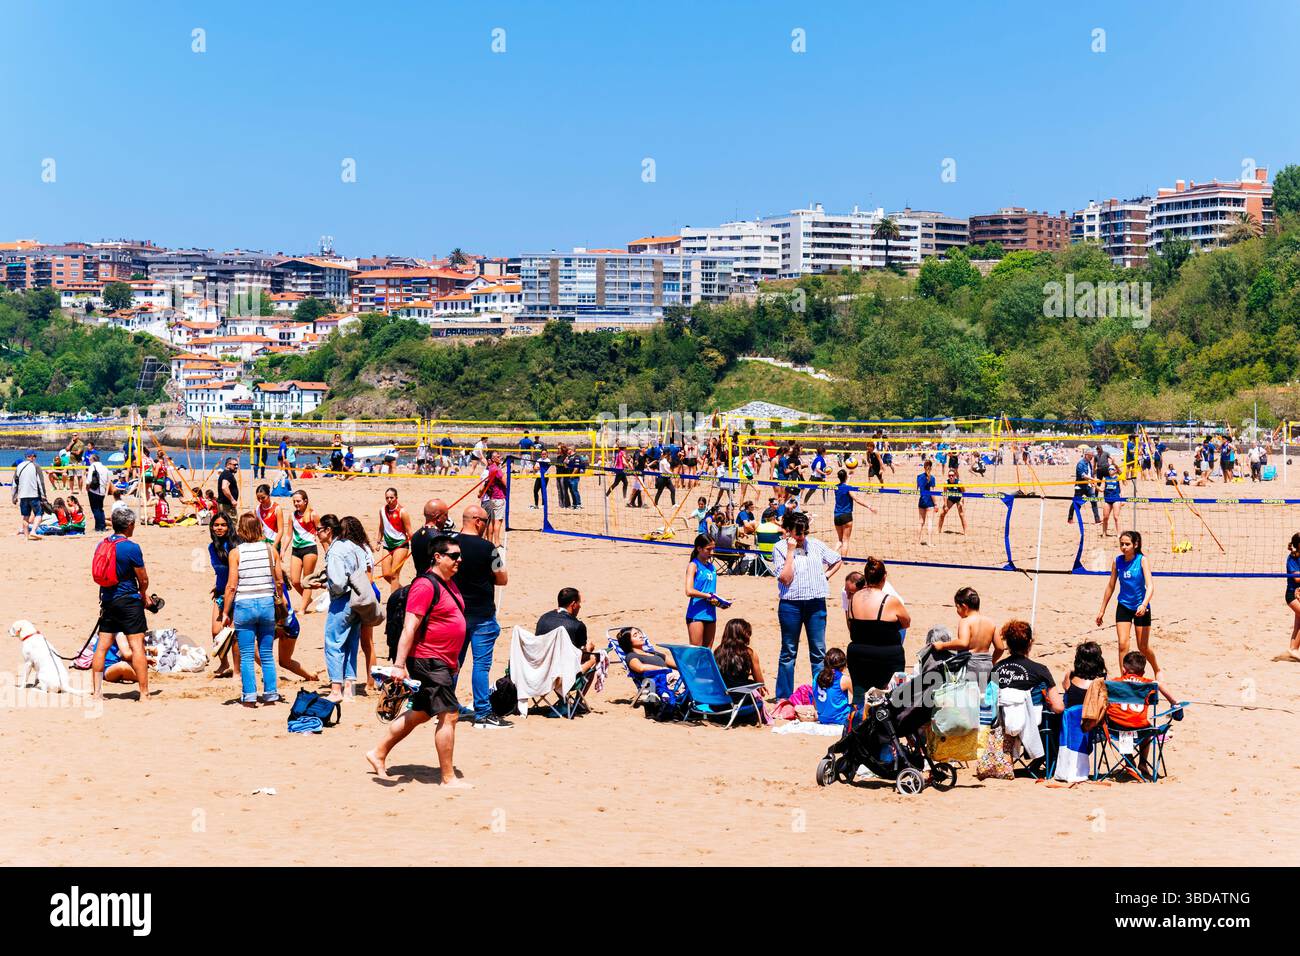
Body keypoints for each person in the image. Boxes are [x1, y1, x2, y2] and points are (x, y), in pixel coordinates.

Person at [367, 533, 471, 787]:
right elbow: (409, 627)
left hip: (441, 660)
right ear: (438, 557)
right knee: (449, 714)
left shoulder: (448, 582)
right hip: (428, 660)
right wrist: (399, 666)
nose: (460, 560)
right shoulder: (425, 585)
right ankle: (448, 778)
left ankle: (377, 753)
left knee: (421, 713)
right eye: (454, 556)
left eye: (460, 555)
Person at [772, 512, 841, 700]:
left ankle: (821, 695)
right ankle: (784, 697)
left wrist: (825, 576)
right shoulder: (779, 548)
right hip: (790, 605)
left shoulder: (816, 545)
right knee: (788, 652)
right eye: (798, 533)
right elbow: (785, 578)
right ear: (788, 532)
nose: (802, 537)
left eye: (804, 533)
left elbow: (837, 560)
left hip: (816, 603)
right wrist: (790, 552)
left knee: (818, 652)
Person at [91, 508, 156, 702]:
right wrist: (143, 595)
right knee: (137, 646)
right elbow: (143, 579)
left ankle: (96, 693)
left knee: (101, 647)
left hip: (108, 600)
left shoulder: (102, 544)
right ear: (129, 525)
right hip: (128, 600)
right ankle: (144, 694)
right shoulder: (131, 548)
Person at [454, 504, 510, 728]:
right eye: (486, 522)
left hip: (455, 613)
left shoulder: (449, 544)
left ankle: (448, 707)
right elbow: (502, 578)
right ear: (478, 521)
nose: (487, 526)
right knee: (481, 665)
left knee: (454, 663)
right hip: (482, 614)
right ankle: (483, 712)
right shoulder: (489, 549)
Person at [221, 512, 283, 707]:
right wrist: (279, 597)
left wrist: (225, 612)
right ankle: (271, 694)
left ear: (240, 530)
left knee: (247, 654)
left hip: (244, 604)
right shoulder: (270, 549)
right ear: (259, 529)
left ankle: (249, 697)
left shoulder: (236, 553)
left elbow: (231, 586)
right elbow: (279, 580)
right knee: (266, 653)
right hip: (266, 603)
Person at [846, 555, 909, 710]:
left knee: (860, 697)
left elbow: (850, 624)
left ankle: (856, 728)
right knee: (892, 698)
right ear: (884, 577)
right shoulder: (890, 600)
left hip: (858, 654)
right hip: (886, 656)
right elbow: (906, 622)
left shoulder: (853, 599)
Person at [1096, 530, 1158, 678]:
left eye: (1127, 544)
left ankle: (1157, 669)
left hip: (1141, 607)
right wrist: (1102, 610)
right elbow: (1110, 586)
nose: (1124, 547)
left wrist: (1143, 605)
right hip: (1123, 605)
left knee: (1143, 647)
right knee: (1123, 644)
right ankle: (1124, 676)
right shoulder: (1117, 561)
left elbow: (1150, 586)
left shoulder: (1142, 560)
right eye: (1121, 544)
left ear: (1135, 545)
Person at [319, 513, 366, 702]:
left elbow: (338, 583)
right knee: (351, 643)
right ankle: (349, 688)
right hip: (358, 598)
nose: (317, 533)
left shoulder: (336, 550)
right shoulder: (354, 546)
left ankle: (336, 689)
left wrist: (326, 585)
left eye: (319, 530)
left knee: (333, 643)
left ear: (328, 530)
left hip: (342, 599)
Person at [341, 516, 381, 693]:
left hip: (365, 595)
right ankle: (367, 680)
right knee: (361, 641)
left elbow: (369, 577)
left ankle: (371, 681)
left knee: (366, 642)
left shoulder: (361, 550)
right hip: (364, 593)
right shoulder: (359, 548)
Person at [992, 619, 1063, 713]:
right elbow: (1058, 708)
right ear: (1030, 643)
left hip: (1001, 720)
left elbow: (991, 698)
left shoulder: (997, 668)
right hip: (1031, 721)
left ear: (1008, 644)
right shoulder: (1040, 670)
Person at [930, 586, 997, 685]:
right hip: (987, 665)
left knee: (968, 697)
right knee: (984, 696)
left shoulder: (965, 622)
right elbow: (1000, 647)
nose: (957, 611)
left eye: (957, 607)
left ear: (964, 607)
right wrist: (992, 660)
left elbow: (963, 643)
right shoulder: (990, 622)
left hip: (971, 665)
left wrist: (942, 646)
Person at [536, 587, 598, 685]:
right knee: (593, 659)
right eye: (579, 603)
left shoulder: (543, 618)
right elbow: (581, 657)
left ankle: (565, 700)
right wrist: (589, 649)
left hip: (539, 670)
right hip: (560, 675)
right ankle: (577, 700)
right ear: (573, 605)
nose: (580, 606)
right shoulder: (577, 625)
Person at [713, 618, 767, 704]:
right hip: (740, 699)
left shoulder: (718, 652)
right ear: (744, 635)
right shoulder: (750, 653)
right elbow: (760, 683)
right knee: (755, 689)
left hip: (719, 699)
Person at [684, 534, 724, 647]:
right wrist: (707, 596)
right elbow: (689, 591)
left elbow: (710, 591)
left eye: (713, 549)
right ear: (699, 548)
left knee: (707, 652)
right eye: (708, 549)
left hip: (710, 612)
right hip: (696, 613)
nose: (712, 552)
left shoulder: (712, 567)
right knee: (697, 652)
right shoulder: (693, 565)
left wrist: (718, 601)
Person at [288, 490, 320, 613]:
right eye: (294, 501)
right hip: (296, 549)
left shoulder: (313, 515)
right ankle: (307, 599)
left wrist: (328, 550)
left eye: (298, 501)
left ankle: (302, 608)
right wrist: (283, 550)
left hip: (310, 549)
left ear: (305, 501)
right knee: (295, 581)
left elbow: (321, 533)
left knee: (307, 580)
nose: (296, 503)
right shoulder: (292, 516)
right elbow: (288, 535)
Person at [376, 487, 413, 596]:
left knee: (394, 574)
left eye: (391, 497)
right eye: (387, 498)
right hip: (387, 545)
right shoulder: (382, 510)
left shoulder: (402, 511)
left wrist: (416, 544)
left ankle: (394, 600)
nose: (389, 500)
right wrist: (378, 541)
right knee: (386, 574)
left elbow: (409, 531)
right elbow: (381, 526)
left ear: (396, 498)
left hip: (401, 544)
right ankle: (404, 592)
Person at [832, 468, 875, 555]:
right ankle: (843, 560)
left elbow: (844, 486)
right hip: (846, 516)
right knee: (846, 541)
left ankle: (832, 554)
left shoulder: (836, 488)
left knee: (840, 540)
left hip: (837, 516)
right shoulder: (849, 488)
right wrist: (869, 506)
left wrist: (849, 477)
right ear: (845, 477)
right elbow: (857, 499)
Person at [1060, 640, 1108, 709]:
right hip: (1094, 717)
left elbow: (1065, 687)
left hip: (1073, 717)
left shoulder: (1070, 676)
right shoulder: (1103, 679)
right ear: (1099, 661)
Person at [410, 497, 451, 574]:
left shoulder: (416, 535)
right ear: (438, 517)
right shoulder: (439, 538)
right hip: (434, 582)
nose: (447, 518)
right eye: (445, 515)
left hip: (420, 579)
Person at [813, 647, 853, 725]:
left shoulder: (817, 676)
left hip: (822, 718)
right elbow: (858, 698)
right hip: (840, 719)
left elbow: (815, 700)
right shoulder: (844, 679)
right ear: (843, 666)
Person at [13, 451, 46, 539]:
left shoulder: (19, 466)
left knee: (25, 516)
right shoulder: (36, 466)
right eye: (34, 456)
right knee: (39, 513)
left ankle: (26, 537)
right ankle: (33, 531)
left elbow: (15, 483)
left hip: (22, 495)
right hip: (34, 494)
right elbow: (40, 482)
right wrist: (43, 495)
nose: (35, 458)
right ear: (31, 456)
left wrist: (14, 496)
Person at [479, 452, 508, 545]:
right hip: (498, 497)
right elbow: (506, 483)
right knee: (497, 521)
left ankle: (491, 541)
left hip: (492, 497)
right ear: (492, 459)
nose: (500, 458)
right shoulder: (496, 469)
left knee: (492, 521)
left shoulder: (491, 468)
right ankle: (497, 542)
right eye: (497, 457)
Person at [1068, 446, 1101, 525]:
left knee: (1093, 501)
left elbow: (1089, 474)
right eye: (1091, 456)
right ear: (1086, 455)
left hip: (1088, 486)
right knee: (1076, 503)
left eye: (1092, 456)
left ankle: (1097, 520)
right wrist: (1093, 480)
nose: (1092, 457)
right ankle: (1070, 518)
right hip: (1080, 487)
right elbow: (1083, 475)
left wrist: (1092, 483)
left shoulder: (1089, 463)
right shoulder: (1081, 463)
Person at [937, 459, 967, 535]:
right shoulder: (946, 483)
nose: (951, 477)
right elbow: (944, 494)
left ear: (955, 476)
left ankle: (965, 532)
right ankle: (938, 530)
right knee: (942, 513)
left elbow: (964, 492)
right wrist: (945, 505)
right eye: (949, 475)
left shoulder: (959, 483)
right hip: (950, 498)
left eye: (952, 475)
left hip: (958, 498)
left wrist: (961, 501)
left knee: (961, 515)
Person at [85, 452, 112, 532]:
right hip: (102, 491)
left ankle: (98, 527)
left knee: (95, 509)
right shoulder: (104, 467)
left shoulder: (92, 467)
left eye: (90, 460)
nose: (89, 461)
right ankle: (102, 526)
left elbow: (88, 481)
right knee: (100, 509)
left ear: (93, 460)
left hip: (94, 490)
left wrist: (87, 488)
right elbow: (108, 480)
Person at [255, 483, 286, 551]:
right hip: (262, 543)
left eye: (263, 498)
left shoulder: (277, 508)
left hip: (274, 542)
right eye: (258, 498)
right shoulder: (257, 509)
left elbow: (281, 530)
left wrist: (274, 545)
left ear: (269, 495)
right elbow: (258, 528)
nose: (260, 500)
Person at [1284, 532, 1300, 662]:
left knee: (1298, 625)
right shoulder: (1292, 559)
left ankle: (1292, 650)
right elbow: (1297, 578)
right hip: (1292, 595)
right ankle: (1293, 649)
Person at [916, 459, 938, 546]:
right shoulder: (932, 478)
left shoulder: (919, 477)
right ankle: (929, 542)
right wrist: (935, 504)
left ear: (924, 467)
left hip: (921, 500)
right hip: (929, 501)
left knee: (920, 522)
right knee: (930, 522)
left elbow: (917, 489)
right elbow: (932, 493)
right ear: (931, 467)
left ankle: (917, 542)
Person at [1099, 463, 1123, 536]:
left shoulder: (1118, 478)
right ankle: (1104, 533)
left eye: (1112, 469)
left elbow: (1122, 490)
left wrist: (1122, 500)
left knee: (1116, 517)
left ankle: (1119, 534)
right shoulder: (1105, 478)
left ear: (1115, 470)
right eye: (1109, 469)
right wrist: (1096, 486)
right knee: (1105, 517)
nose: (1110, 470)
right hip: (1107, 499)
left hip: (1116, 499)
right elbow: (1101, 489)